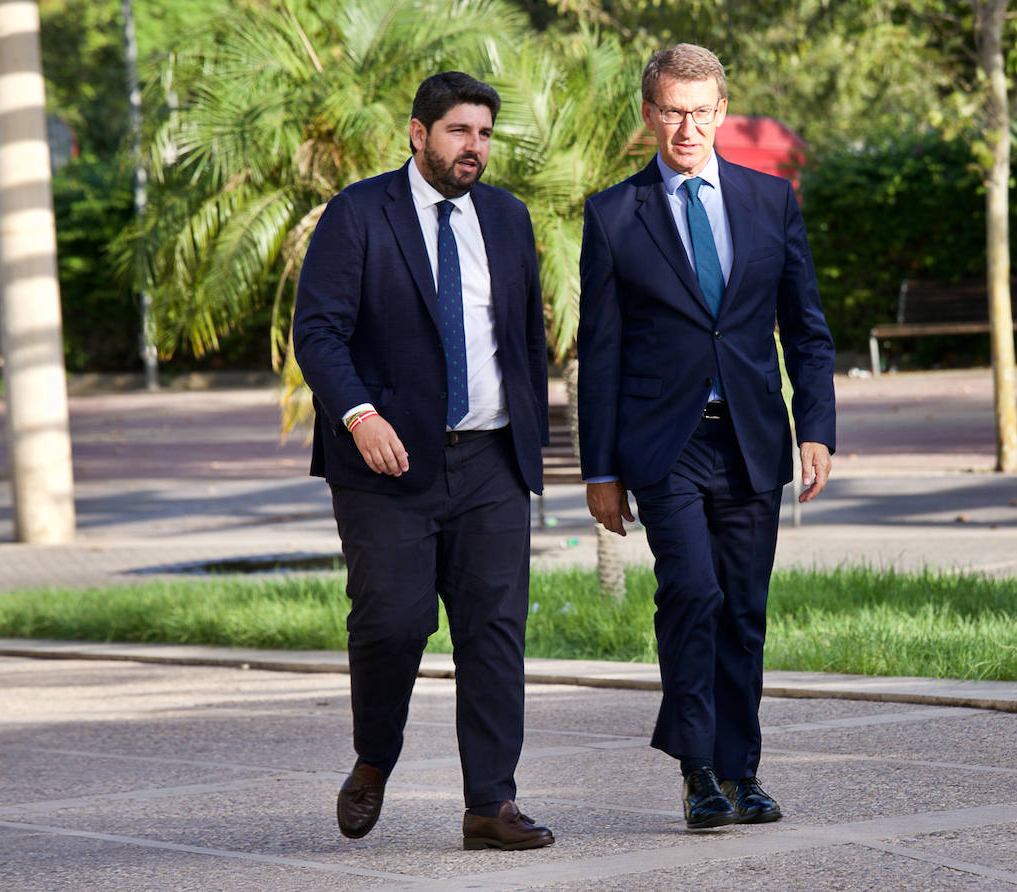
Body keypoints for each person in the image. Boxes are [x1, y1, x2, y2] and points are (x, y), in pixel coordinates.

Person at [577, 44, 836, 830]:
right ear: (649, 114)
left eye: (700, 110)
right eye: (671, 110)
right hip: (666, 443)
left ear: (722, 111)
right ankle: (697, 772)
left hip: (753, 438)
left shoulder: (771, 201)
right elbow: (602, 351)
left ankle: (741, 770)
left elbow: (807, 330)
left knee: (743, 611)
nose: (686, 126)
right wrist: (600, 470)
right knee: (691, 593)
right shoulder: (615, 215)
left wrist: (817, 428)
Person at [293, 71, 554, 851]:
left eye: (483, 134)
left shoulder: (507, 218)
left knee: (494, 631)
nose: (473, 148)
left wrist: (534, 440)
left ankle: (489, 804)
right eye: (458, 132)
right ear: (418, 133)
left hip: (490, 462)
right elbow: (319, 332)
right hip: (386, 467)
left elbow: (525, 341)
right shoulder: (358, 213)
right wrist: (358, 414)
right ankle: (375, 759)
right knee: (392, 624)